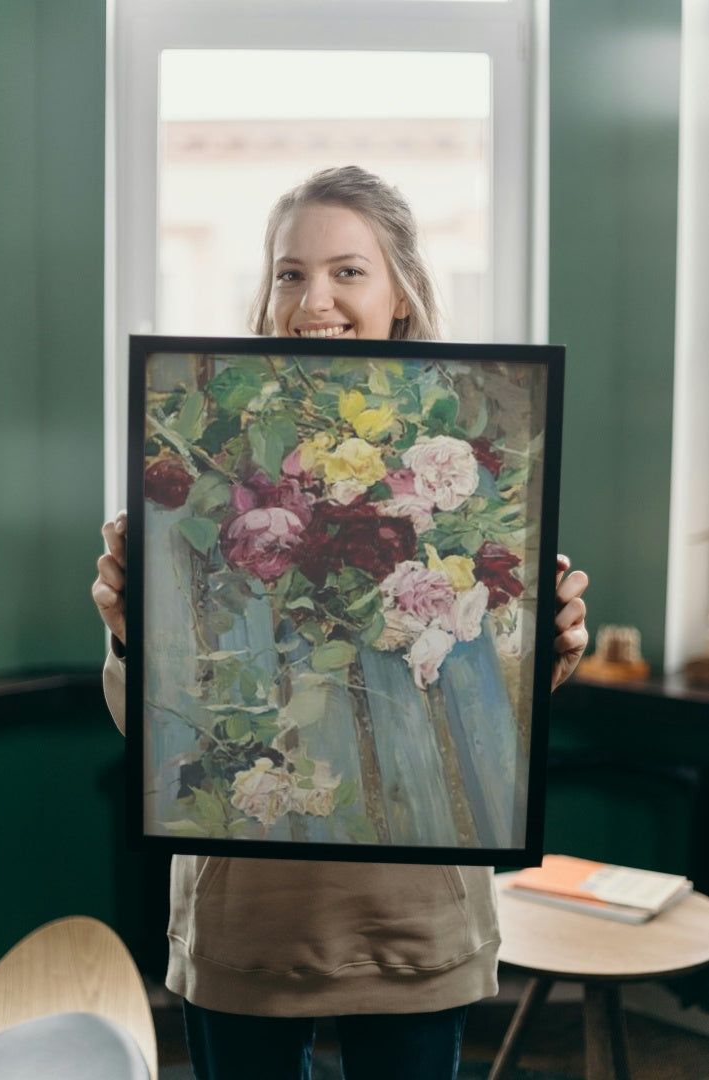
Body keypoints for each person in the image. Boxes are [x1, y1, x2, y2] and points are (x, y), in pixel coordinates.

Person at [93, 166, 589, 1080]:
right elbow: (157, 730)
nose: (312, 298)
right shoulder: (197, 461)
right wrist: (134, 636)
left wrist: (544, 647)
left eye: (346, 271)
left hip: (412, 919)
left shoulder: (472, 462)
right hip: (246, 919)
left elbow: (488, 709)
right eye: (289, 272)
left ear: (400, 291)